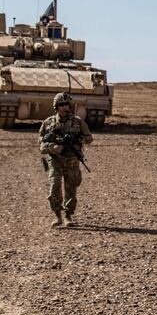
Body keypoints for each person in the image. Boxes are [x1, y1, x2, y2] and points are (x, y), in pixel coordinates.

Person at [39, 92, 93, 228]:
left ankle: (68, 216)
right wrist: (53, 147)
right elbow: (41, 143)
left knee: (71, 188)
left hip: (72, 160)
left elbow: (89, 138)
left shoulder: (78, 122)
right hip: (55, 160)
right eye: (61, 105)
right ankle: (57, 216)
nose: (64, 108)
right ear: (56, 107)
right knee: (54, 187)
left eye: (66, 105)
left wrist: (78, 139)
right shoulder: (48, 123)